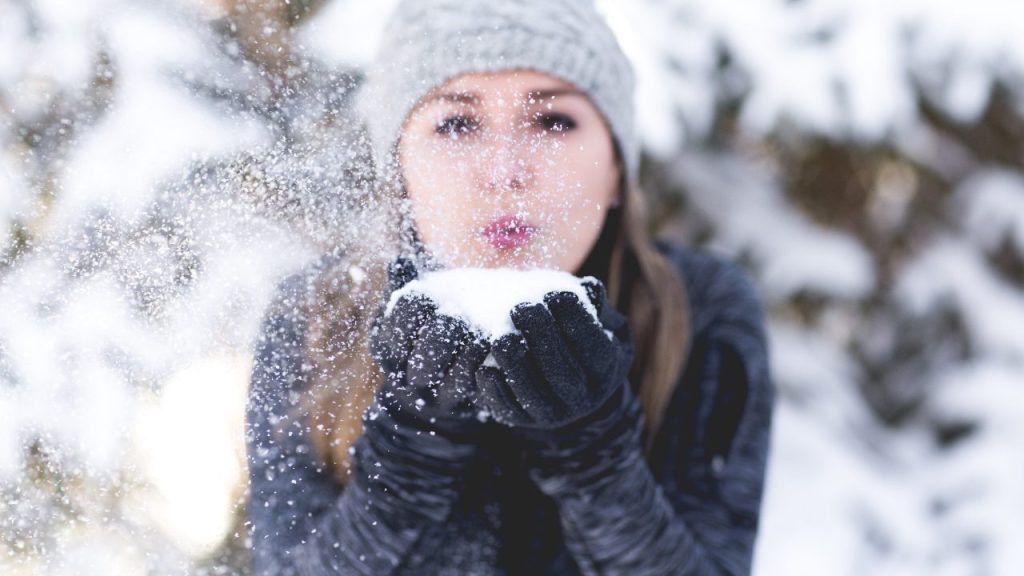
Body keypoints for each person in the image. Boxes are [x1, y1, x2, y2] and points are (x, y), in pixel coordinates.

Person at [244, 0, 775, 574]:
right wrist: (414, 444)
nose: (504, 171)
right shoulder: (321, 314)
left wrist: (592, 452)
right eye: (456, 123)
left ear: (617, 169)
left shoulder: (697, 313)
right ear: (399, 172)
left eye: (552, 121)